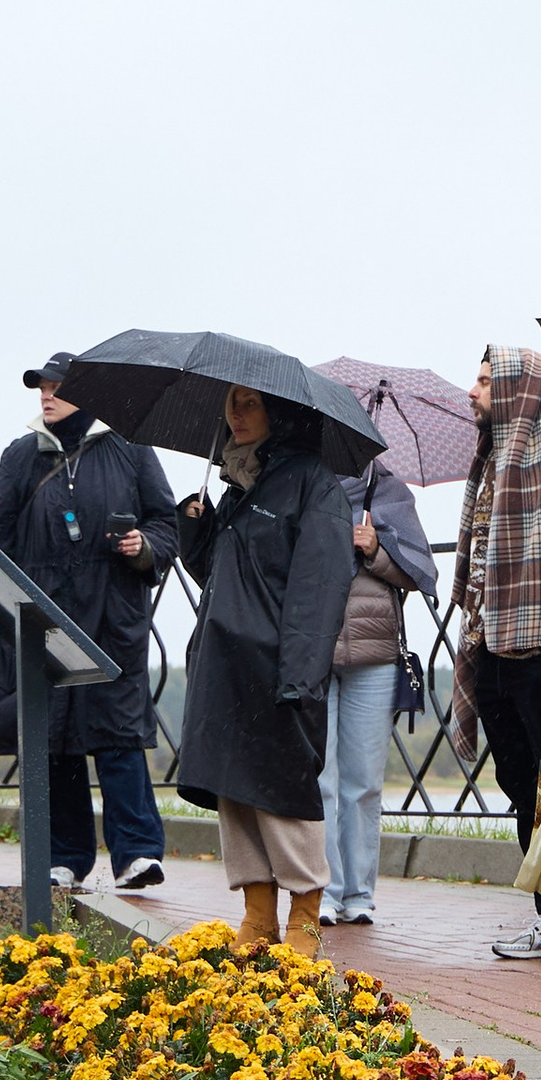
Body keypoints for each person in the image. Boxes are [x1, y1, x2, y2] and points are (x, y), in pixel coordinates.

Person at [0, 355, 178, 898]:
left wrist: (142, 547)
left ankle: (137, 854)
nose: (46, 396)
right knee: (54, 739)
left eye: (57, 387)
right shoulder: (21, 454)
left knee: (119, 733)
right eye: (42, 387)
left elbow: (166, 523)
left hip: (113, 614)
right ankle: (65, 859)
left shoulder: (129, 447)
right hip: (45, 615)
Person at [174, 384, 356, 958]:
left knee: (282, 791)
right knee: (236, 790)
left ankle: (304, 915)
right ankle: (257, 914)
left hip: (277, 664)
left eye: (249, 403)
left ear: (280, 413)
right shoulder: (237, 486)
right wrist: (194, 534)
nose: (235, 414)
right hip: (224, 662)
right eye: (230, 404)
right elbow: (226, 576)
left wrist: (301, 672)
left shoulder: (313, 484)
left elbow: (319, 584)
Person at [447, 341, 541, 963]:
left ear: (516, 387)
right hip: (493, 643)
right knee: (519, 780)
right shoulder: (491, 459)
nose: (473, 393)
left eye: (485, 382)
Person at [319, 455, 440, 926]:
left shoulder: (390, 491)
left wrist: (374, 548)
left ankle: (359, 893)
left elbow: (419, 572)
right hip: (315, 651)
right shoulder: (303, 482)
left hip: (374, 657)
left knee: (364, 782)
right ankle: (323, 891)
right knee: (321, 779)